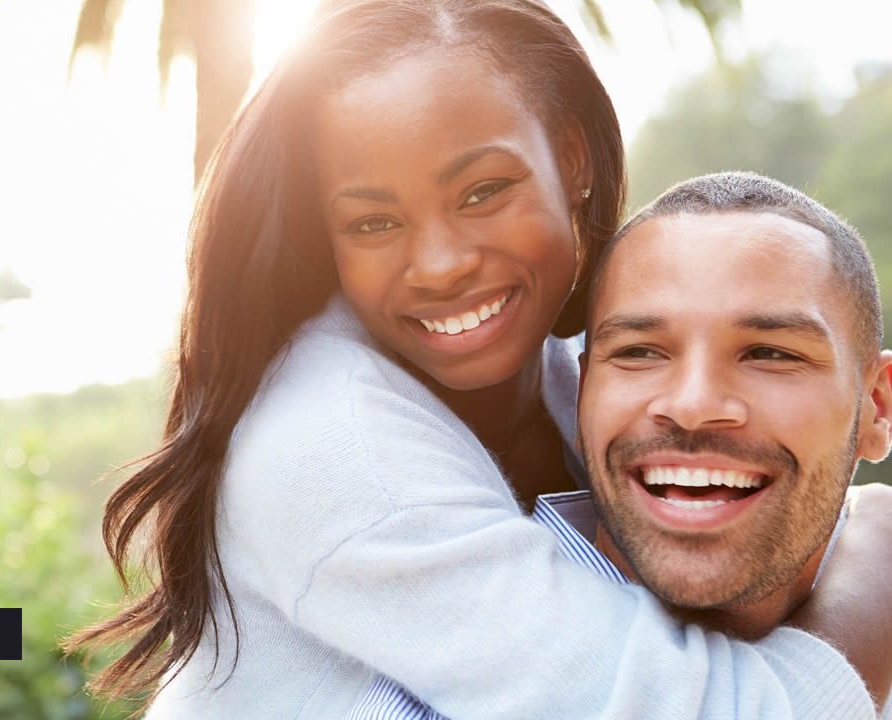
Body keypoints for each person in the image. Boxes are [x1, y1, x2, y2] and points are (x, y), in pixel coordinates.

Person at [67, 2, 892, 717]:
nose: (440, 264)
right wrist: (871, 578)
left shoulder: (585, 380)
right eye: (372, 224)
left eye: (481, 192)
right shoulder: (334, 445)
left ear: (571, 161)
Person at [352, 172, 892, 718]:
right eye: (640, 352)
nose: (692, 405)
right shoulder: (438, 696)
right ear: (585, 390)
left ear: (878, 407)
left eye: (770, 355)